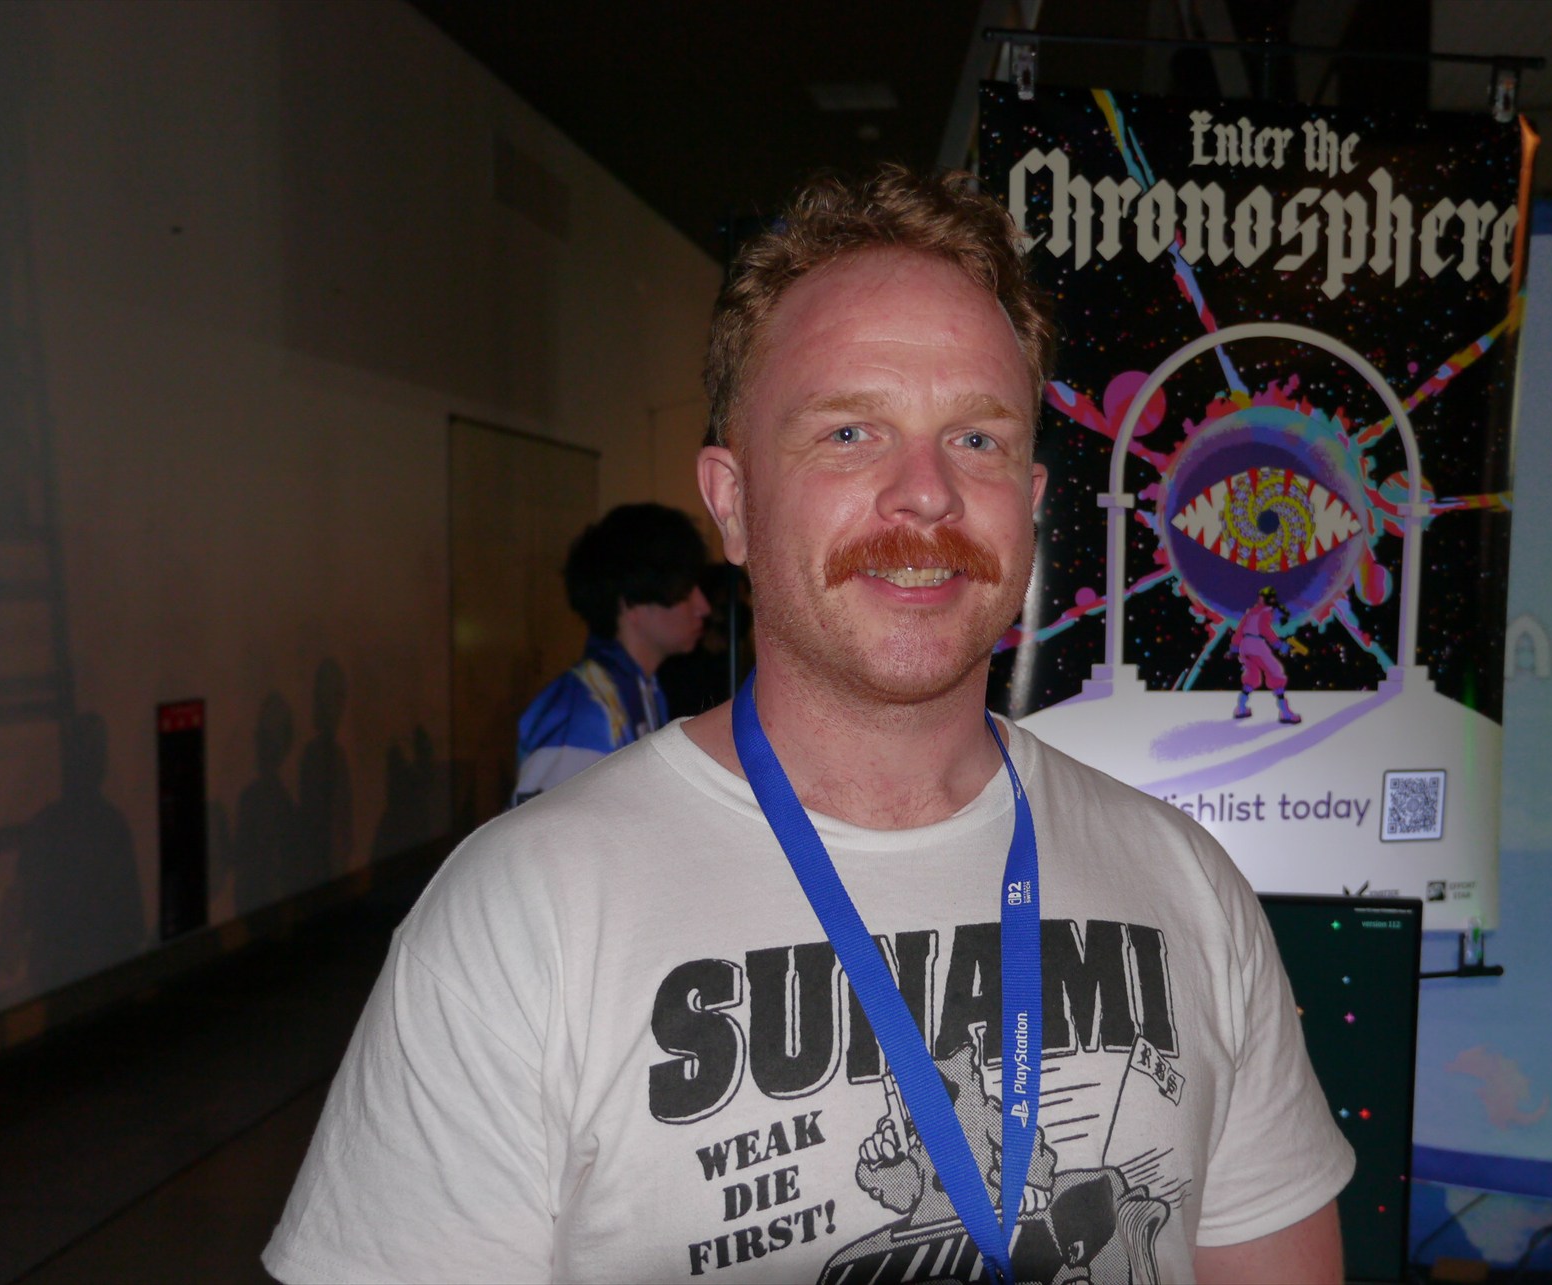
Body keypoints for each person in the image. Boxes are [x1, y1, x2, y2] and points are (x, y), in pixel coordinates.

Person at [265, 166, 1351, 1284]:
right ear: (732, 502)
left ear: (1029, 508)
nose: (927, 493)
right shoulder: (523, 915)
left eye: (976, 439)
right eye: (850, 432)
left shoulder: (1187, 884)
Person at [511, 502, 710, 804]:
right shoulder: (582, 712)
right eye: (684, 590)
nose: (702, 607)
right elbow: (552, 830)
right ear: (631, 602)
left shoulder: (640, 690)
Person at [1230, 585, 1303, 724]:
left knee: (1252, 675)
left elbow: (1240, 630)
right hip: (1256, 645)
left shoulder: (1251, 612)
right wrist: (1279, 645)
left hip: (1245, 646)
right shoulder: (1265, 612)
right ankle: (1285, 712)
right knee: (1275, 672)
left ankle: (1241, 707)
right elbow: (1264, 629)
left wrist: (1235, 647)